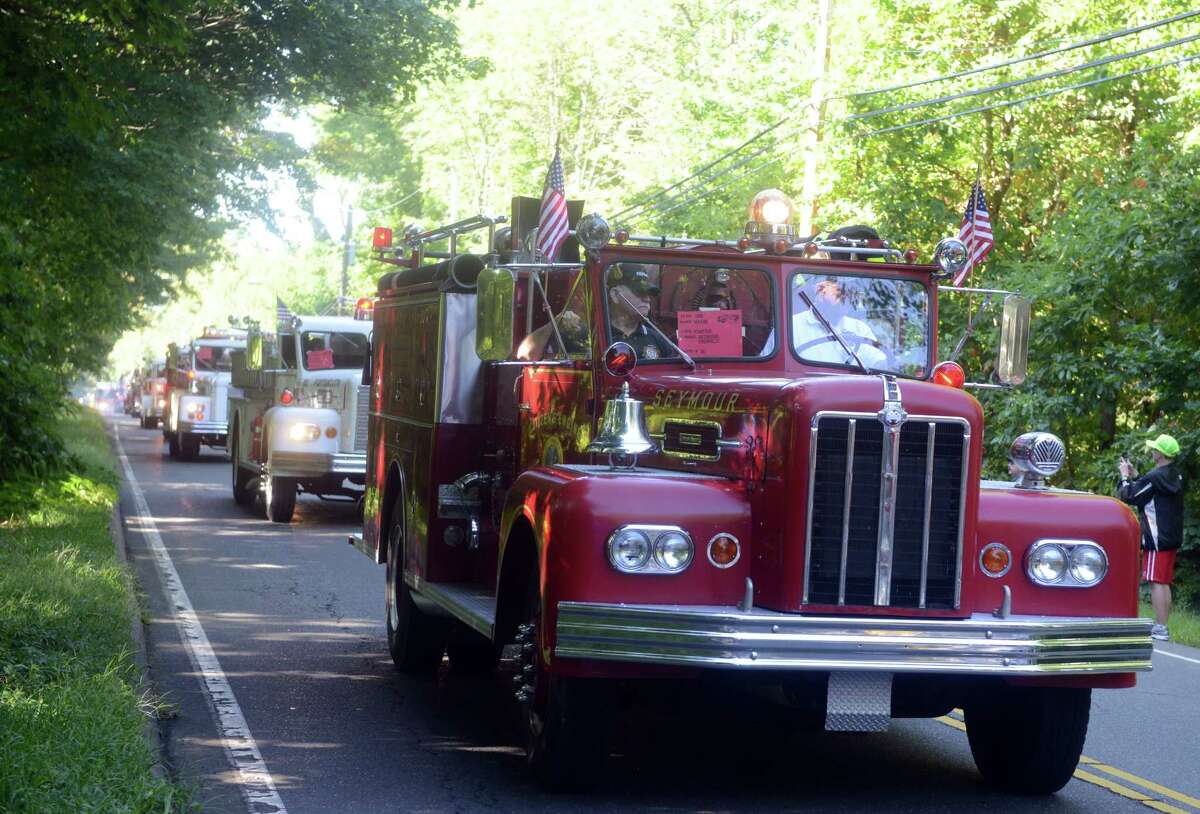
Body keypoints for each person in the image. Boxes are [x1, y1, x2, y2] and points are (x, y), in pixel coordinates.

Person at [1118, 433, 1185, 642]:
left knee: (1156, 582)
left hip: (1157, 538)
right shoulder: (1174, 475)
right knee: (1163, 582)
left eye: (1155, 449)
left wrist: (1124, 476)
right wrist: (1138, 475)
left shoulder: (1156, 477)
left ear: (1161, 454)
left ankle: (1161, 628)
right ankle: (1162, 625)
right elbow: (1148, 492)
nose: (1152, 451)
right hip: (1170, 536)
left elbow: (1129, 496)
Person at [792, 278, 886, 369]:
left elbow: (877, 362)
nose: (848, 297)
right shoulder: (793, 325)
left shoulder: (859, 328)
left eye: (853, 293)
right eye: (840, 291)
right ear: (820, 291)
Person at [605, 263, 673, 360]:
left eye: (649, 293)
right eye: (640, 292)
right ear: (615, 294)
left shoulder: (659, 340)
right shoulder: (596, 339)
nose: (647, 299)